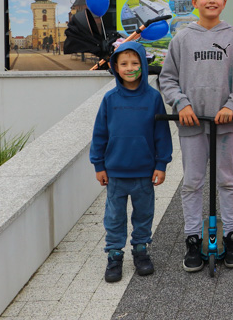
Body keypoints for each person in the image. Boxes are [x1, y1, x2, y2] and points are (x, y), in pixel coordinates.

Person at [159, 0, 233, 272]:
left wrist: (231, 106)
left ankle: (232, 235)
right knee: (192, 182)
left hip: (224, 125)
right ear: (195, 2)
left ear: (225, 2)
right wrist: (181, 103)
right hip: (192, 124)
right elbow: (167, 78)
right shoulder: (182, 39)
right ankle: (192, 238)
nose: (211, 0)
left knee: (227, 180)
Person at [90, 41, 173, 283]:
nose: (129, 68)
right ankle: (115, 254)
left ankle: (141, 250)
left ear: (143, 66)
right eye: (124, 63)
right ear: (115, 67)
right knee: (114, 217)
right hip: (115, 173)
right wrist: (99, 165)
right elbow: (100, 134)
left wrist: (161, 164)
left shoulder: (153, 98)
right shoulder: (110, 99)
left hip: (144, 173)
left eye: (135, 63)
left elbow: (161, 134)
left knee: (144, 214)